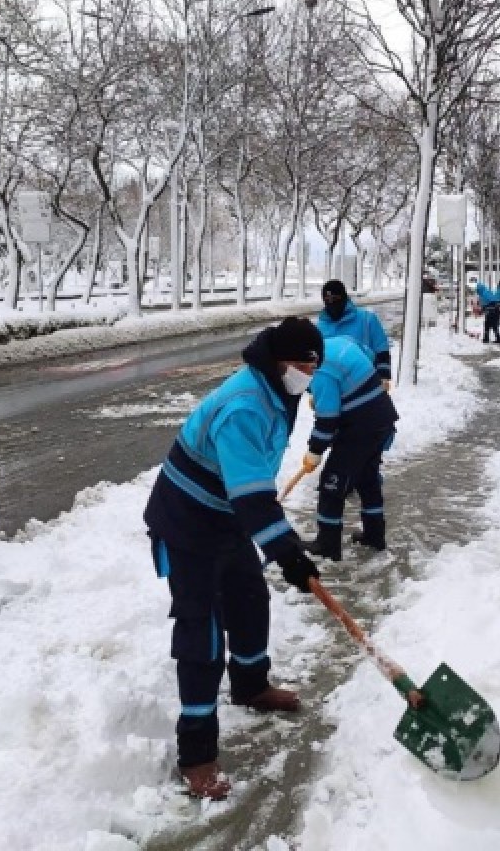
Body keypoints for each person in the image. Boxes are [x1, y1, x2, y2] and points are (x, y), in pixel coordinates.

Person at [143, 317, 325, 801]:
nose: (310, 371)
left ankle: (249, 685)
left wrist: (281, 547)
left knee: (248, 597)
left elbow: (250, 492)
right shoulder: (246, 404)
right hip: (186, 518)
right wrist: (290, 554)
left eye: (315, 363)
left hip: (224, 512)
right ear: (280, 360)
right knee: (200, 632)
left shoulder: (277, 390)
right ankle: (197, 755)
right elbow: (253, 499)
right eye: (304, 362)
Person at [301, 334, 399, 560]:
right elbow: (369, 355)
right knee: (367, 480)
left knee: (331, 485)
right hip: (382, 417)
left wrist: (314, 451)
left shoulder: (320, 370)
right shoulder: (339, 341)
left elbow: (327, 419)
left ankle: (327, 545)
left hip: (359, 430)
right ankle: (375, 536)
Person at [317, 279, 393, 384]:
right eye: (327, 300)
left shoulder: (367, 319)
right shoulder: (321, 327)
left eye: (335, 298)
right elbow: (317, 359)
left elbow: (381, 349)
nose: (332, 303)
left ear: (344, 298)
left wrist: (383, 376)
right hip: (333, 384)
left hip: (366, 381)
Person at [475, 279, 500, 345]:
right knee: (488, 325)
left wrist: (485, 308)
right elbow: (485, 303)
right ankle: (487, 338)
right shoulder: (484, 293)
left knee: (492, 325)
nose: (477, 291)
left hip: (493, 311)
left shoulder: (485, 293)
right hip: (491, 311)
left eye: (477, 289)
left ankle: (494, 339)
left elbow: (493, 302)